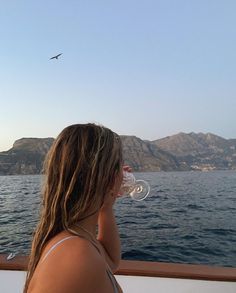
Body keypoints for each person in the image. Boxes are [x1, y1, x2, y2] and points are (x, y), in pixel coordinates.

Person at [24, 123, 130, 293]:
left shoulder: (77, 238)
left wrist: (106, 206)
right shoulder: (76, 258)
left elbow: (111, 261)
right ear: (111, 178)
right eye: (120, 165)